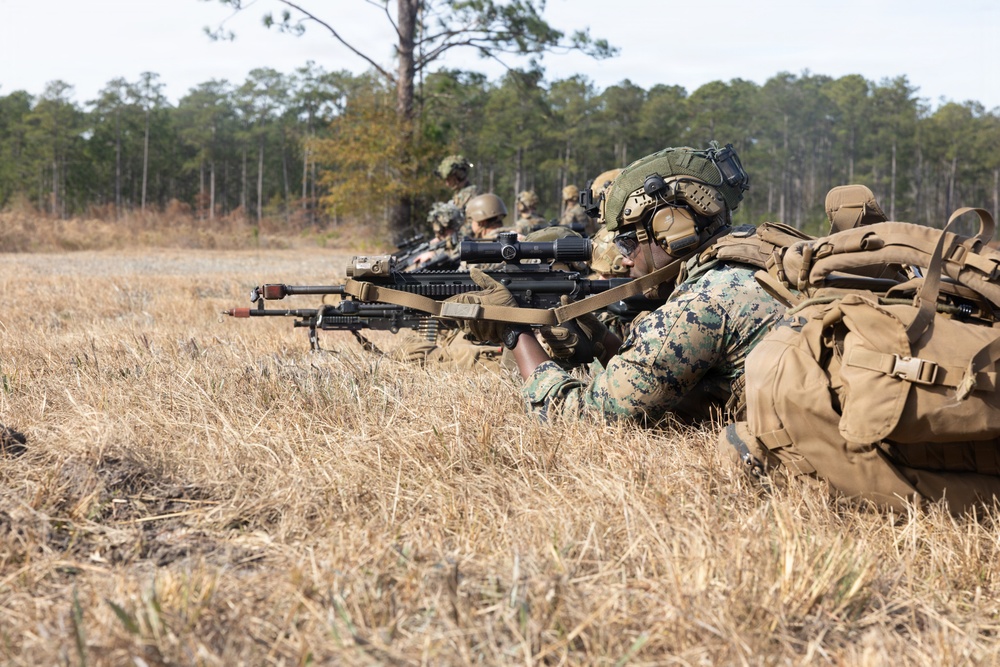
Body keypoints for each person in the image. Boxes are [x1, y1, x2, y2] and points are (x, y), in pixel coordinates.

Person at [444, 144, 786, 424]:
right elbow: (681, 389)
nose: (624, 259)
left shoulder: (702, 304)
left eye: (627, 242)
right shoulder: (763, 253)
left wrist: (512, 331)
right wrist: (600, 339)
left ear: (673, 229)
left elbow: (576, 417)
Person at [436, 154, 478, 238]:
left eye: (449, 179)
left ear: (459, 176)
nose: (447, 184)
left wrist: (454, 236)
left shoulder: (471, 195)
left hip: (466, 242)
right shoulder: (459, 194)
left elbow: (474, 224)